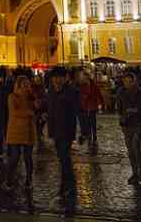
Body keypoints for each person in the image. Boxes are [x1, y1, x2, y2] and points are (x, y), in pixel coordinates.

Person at [47, 66, 81, 198]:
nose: (57, 80)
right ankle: (64, 184)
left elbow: (79, 110)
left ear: (65, 78)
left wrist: (84, 131)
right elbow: (49, 107)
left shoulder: (72, 92)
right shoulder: (51, 91)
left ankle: (70, 186)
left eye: (59, 77)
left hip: (66, 129)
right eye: (54, 77)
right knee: (61, 158)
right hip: (54, 129)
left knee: (65, 158)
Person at [2, 75, 35, 192]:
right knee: (14, 158)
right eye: (24, 84)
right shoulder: (12, 97)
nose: (26, 86)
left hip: (29, 131)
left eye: (27, 84)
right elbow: (14, 112)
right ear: (18, 85)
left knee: (28, 158)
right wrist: (30, 113)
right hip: (15, 131)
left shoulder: (31, 97)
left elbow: (38, 107)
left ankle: (29, 180)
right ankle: (9, 180)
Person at [116, 71, 141, 185]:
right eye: (125, 81)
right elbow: (119, 108)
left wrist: (136, 110)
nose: (127, 84)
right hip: (126, 124)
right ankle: (135, 173)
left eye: (129, 81)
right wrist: (122, 116)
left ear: (133, 81)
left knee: (136, 147)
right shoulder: (121, 92)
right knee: (130, 151)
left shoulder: (139, 92)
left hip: (138, 124)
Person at [79, 73, 101, 149]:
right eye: (83, 78)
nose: (84, 79)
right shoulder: (82, 86)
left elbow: (98, 94)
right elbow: (80, 95)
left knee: (93, 123)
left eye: (85, 77)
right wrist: (83, 97)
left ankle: (94, 137)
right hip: (85, 106)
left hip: (92, 106)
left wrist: (101, 104)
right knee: (87, 123)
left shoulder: (94, 85)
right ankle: (89, 137)